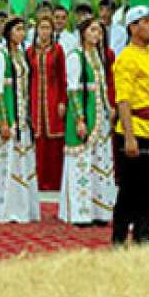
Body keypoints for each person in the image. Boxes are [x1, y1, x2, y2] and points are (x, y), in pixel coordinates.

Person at [111, 6, 149, 246]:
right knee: (130, 189)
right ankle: (119, 236)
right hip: (136, 129)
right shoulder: (126, 58)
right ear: (133, 27)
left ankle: (143, 233)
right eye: (146, 22)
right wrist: (129, 137)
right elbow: (123, 100)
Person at [59, 18, 115, 226]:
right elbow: (73, 90)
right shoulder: (75, 56)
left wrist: (109, 108)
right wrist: (79, 119)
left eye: (99, 31)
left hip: (100, 116)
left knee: (100, 162)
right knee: (81, 163)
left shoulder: (97, 57)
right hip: (85, 115)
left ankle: (100, 211)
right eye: (92, 30)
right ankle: (80, 212)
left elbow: (102, 87)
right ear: (83, 33)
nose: (96, 34)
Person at [0, 17, 41, 224]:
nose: (22, 33)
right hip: (9, 115)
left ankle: (22, 206)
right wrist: (3, 121)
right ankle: (3, 207)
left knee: (21, 160)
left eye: (23, 29)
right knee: (5, 161)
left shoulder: (21, 55)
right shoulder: (1, 55)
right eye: (17, 29)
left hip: (22, 113)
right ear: (8, 32)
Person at [28, 16, 66, 191]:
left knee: (54, 141)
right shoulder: (30, 52)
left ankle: (54, 181)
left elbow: (63, 77)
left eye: (47, 28)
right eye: (42, 27)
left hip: (53, 98)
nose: (44, 31)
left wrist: (62, 101)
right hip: (35, 99)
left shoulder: (58, 51)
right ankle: (39, 181)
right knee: (38, 140)